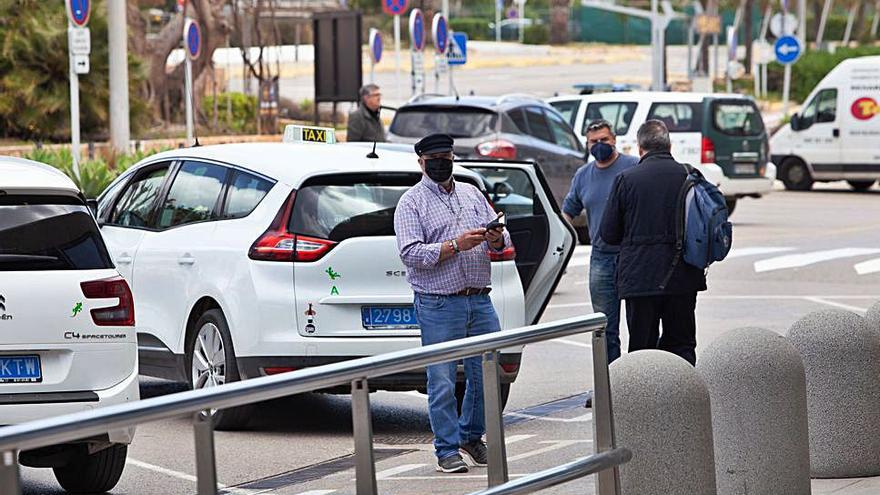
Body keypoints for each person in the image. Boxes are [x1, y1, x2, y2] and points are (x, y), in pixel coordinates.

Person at [394, 133, 512, 474]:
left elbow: (503, 237)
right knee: (442, 379)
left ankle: (470, 437)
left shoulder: (471, 193)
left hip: (479, 299)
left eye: (447, 156)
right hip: (439, 303)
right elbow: (411, 253)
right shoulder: (411, 203)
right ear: (421, 162)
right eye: (435, 158)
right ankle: (446, 449)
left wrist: (496, 236)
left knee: (486, 373)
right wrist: (455, 246)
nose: (442, 162)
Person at [599, 120, 707, 366]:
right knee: (682, 344)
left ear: (640, 148)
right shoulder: (689, 175)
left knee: (642, 350)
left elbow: (609, 233)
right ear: (669, 145)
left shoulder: (626, 179)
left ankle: (645, 403)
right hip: (684, 274)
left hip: (640, 277)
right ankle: (686, 400)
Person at [562, 119, 638, 368]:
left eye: (604, 140)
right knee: (604, 329)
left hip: (634, 255)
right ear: (587, 144)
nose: (599, 145)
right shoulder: (584, 175)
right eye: (594, 142)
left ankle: (639, 383)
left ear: (614, 140)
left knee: (640, 325)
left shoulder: (633, 167)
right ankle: (610, 387)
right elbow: (568, 213)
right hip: (601, 258)